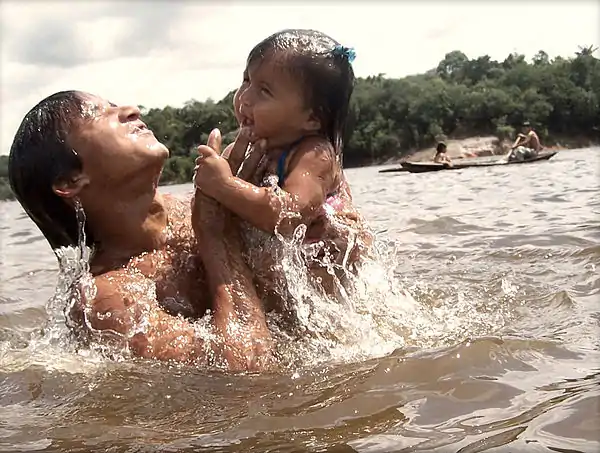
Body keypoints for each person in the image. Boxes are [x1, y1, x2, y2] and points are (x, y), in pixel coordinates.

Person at [8, 91, 274, 371]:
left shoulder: (203, 205)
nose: (131, 109)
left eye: (115, 105)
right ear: (70, 181)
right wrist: (217, 236)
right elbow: (244, 368)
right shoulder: (104, 298)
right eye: (98, 113)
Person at [192, 29, 373, 308]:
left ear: (312, 118)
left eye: (264, 91)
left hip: (324, 279)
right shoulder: (242, 152)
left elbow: (289, 216)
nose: (244, 98)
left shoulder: (314, 155)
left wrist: (225, 185)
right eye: (246, 80)